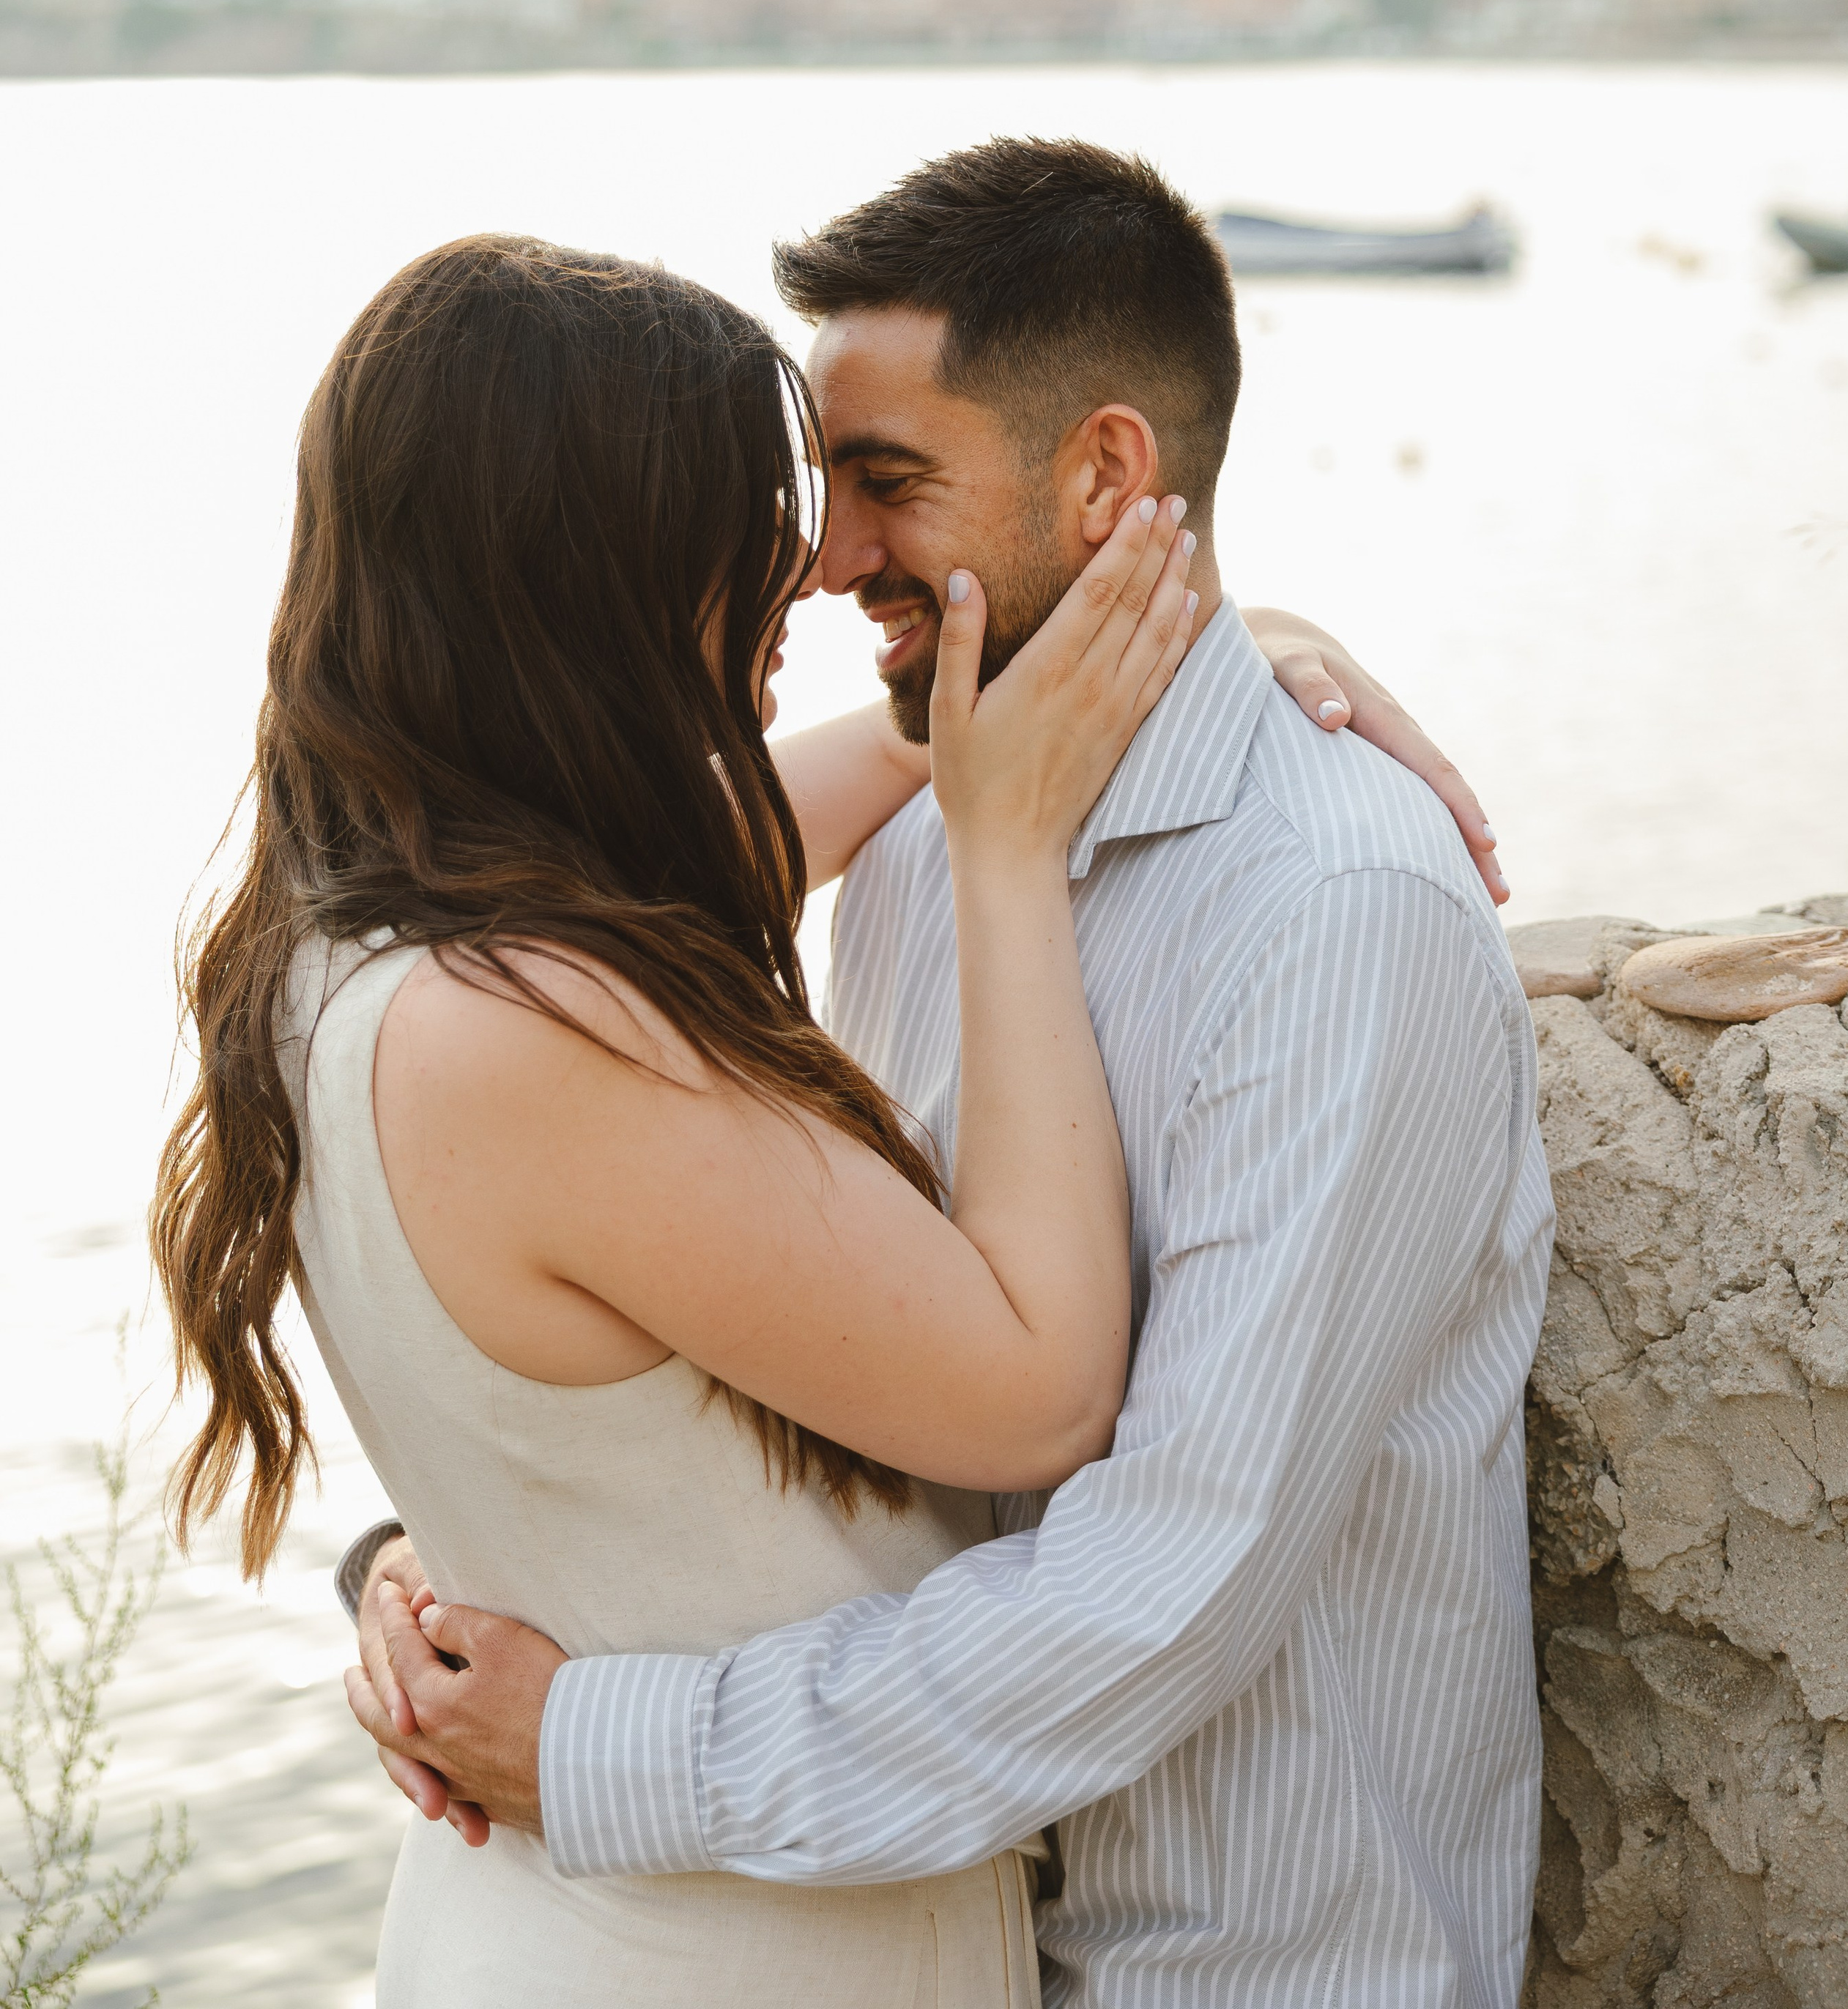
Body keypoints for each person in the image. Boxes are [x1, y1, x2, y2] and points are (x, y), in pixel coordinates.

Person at [346, 141, 1553, 2009]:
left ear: (1103, 478)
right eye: (823, 489)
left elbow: (1154, 1602)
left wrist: (589, 1748)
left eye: (884, 485)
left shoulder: (1340, 920)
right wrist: (428, 1564)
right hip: (919, 1946)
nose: (822, 562)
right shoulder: (916, 851)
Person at [152, 231, 1211, 2008]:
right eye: (740, 534)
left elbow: (766, 829)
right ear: (594, 581)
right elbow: (1037, 1391)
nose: (802, 577)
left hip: (578, 1929)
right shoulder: (531, 1037)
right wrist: (1008, 856)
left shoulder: (355, 936)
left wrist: (1185, 648)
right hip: (715, 1957)